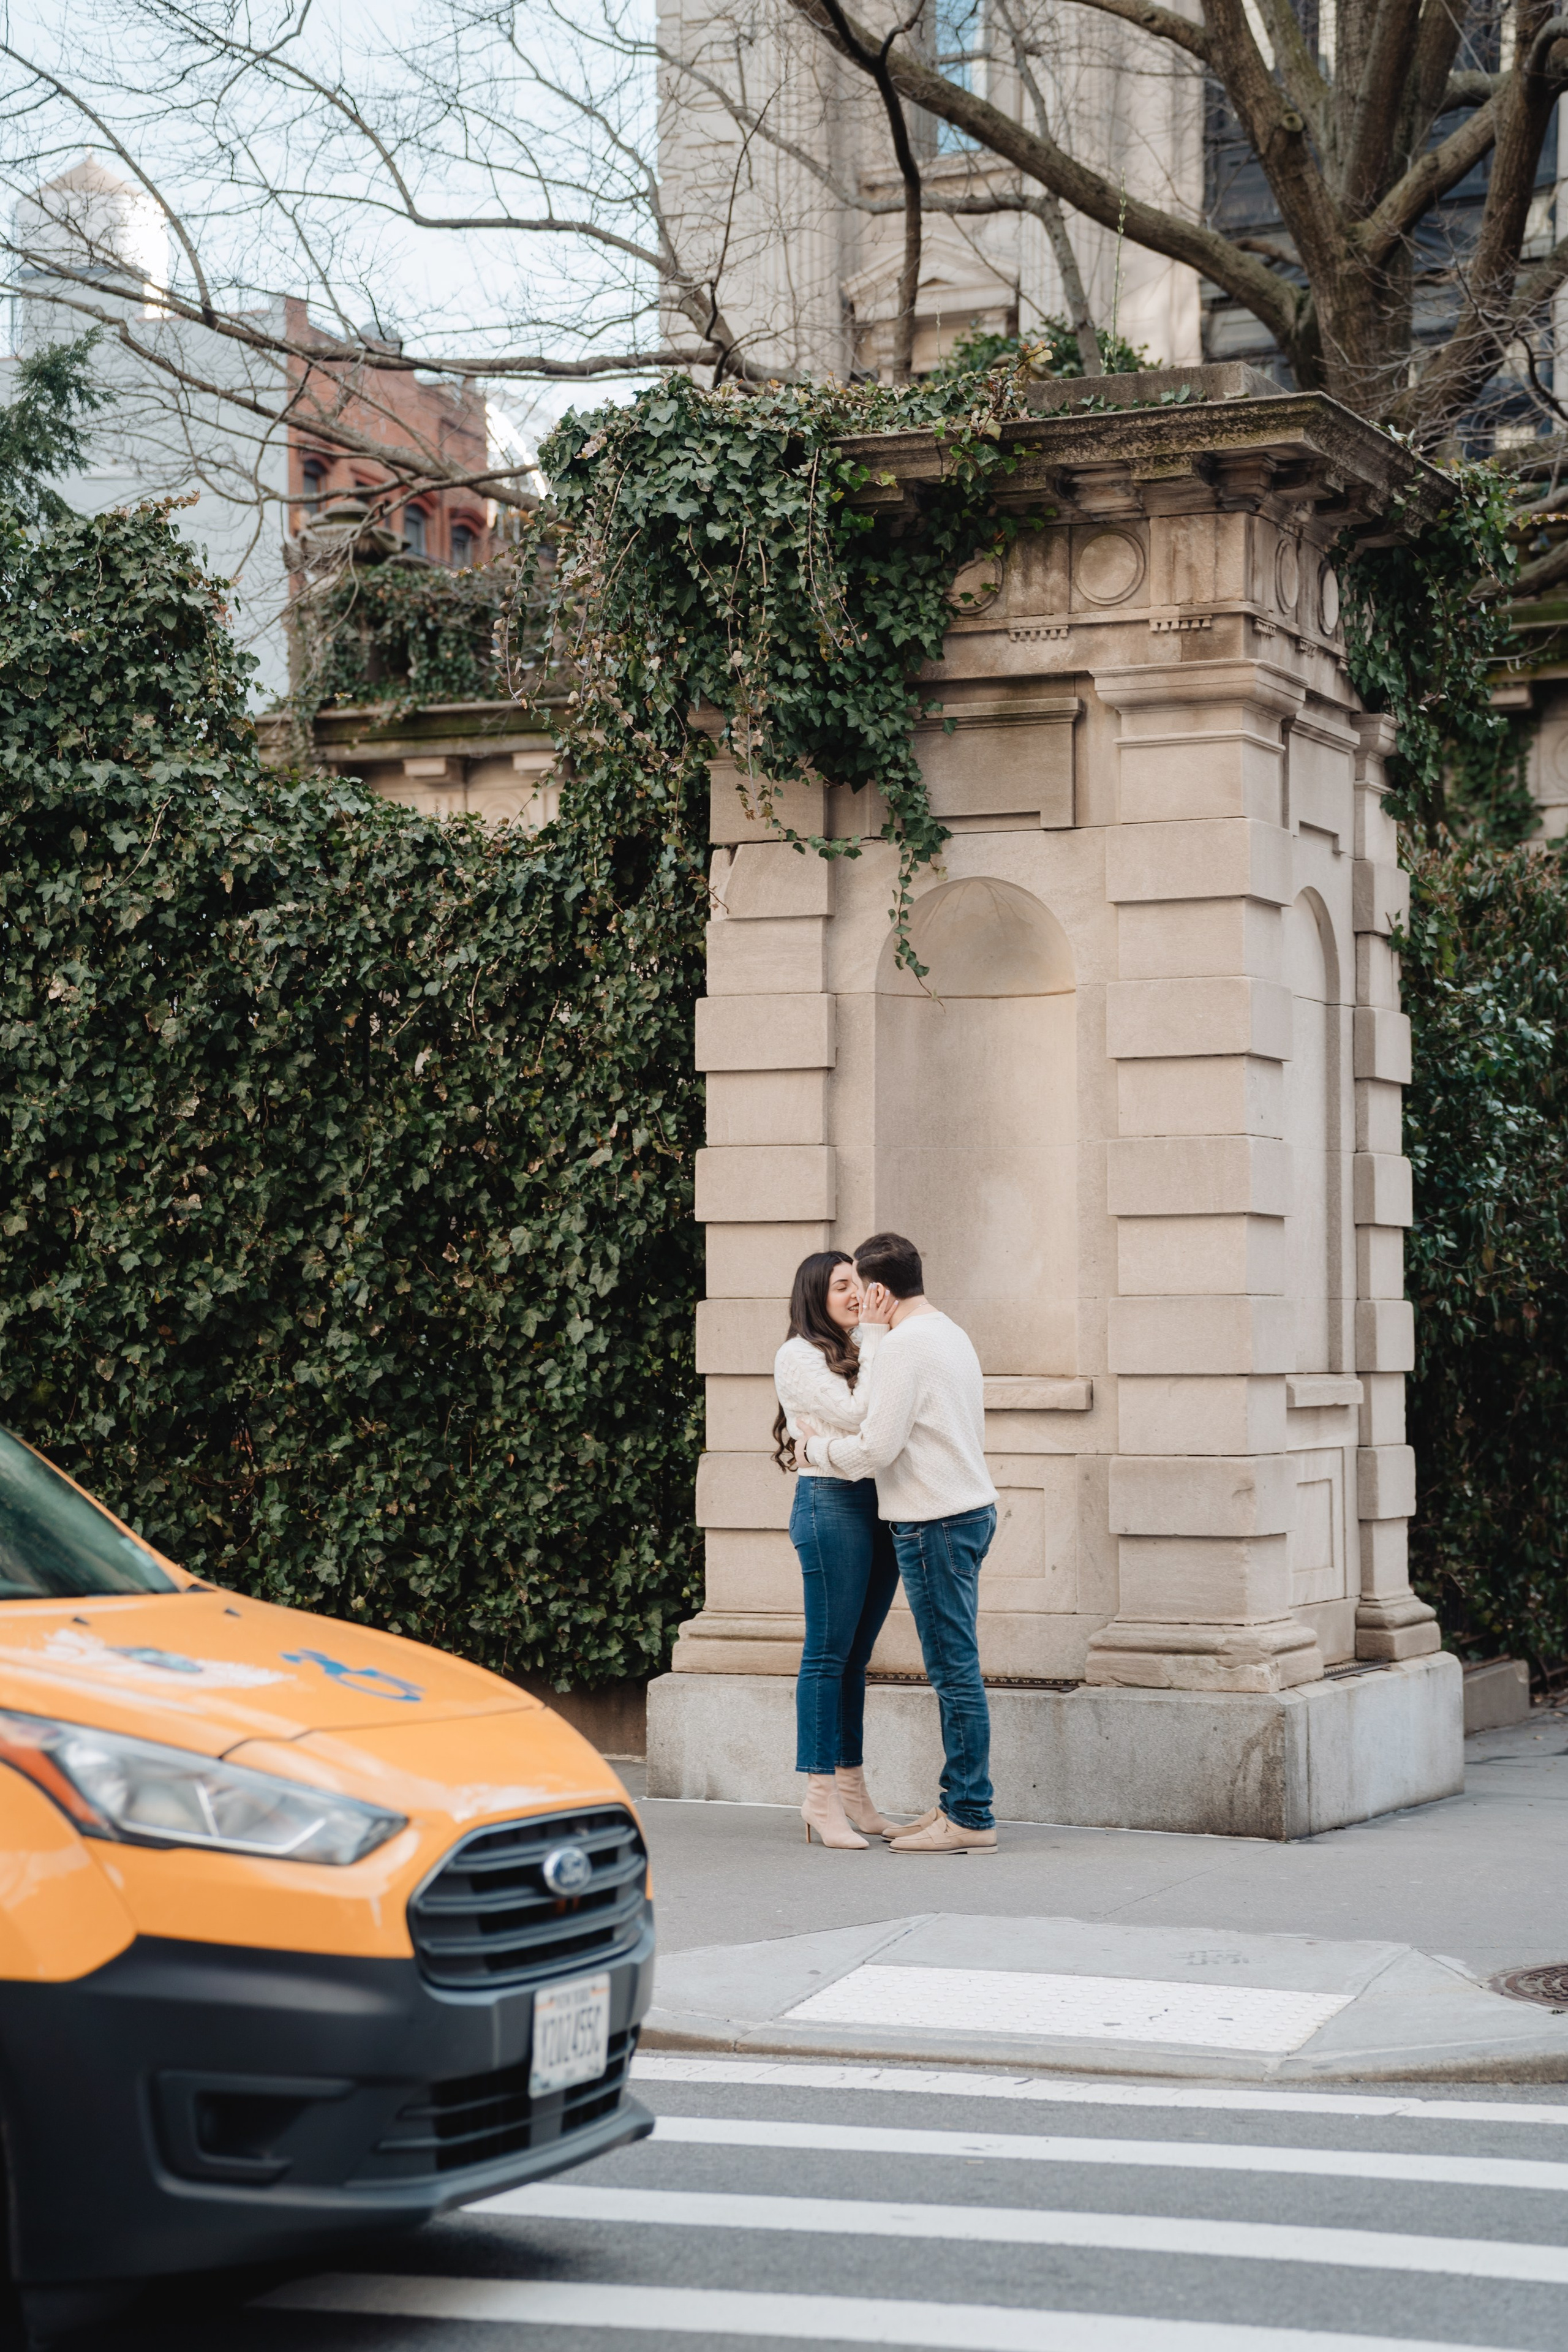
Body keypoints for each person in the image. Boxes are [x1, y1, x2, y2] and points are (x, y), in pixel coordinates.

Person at [797, 1232, 998, 1853]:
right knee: (955, 1668)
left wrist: (814, 1449)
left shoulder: (907, 1347)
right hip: (966, 1512)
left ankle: (968, 1815)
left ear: (880, 1289)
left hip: (934, 1522)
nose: (858, 1299)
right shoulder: (948, 1332)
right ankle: (955, 1809)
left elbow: (875, 1449)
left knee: (953, 1672)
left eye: (861, 1287)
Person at [773, 1250, 903, 1852]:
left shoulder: (856, 1352)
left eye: (859, 1282)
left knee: (855, 1658)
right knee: (826, 1656)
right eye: (841, 1286)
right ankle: (819, 1800)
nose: (857, 1293)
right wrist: (875, 1336)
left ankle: (853, 1795)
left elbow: (877, 1428)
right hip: (828, 1506)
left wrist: (853, 1427)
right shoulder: (797, 1356)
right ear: (815, 1297)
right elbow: (860, 1414)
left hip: (876, 1504)